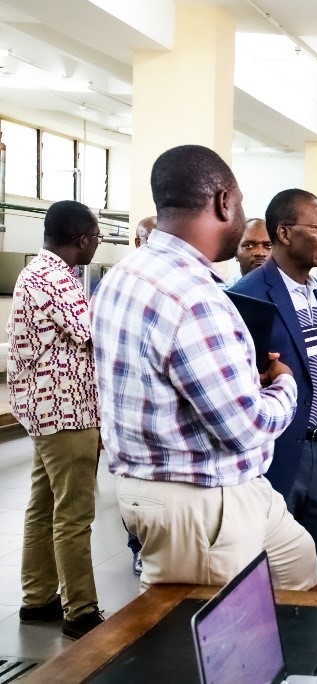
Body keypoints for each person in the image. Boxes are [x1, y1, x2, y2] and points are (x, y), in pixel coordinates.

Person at [91, 144, 317, 591]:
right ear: (222, 203)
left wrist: (241, 379)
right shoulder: (195, 297)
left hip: (203, 483)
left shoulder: (124, 274)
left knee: (298, 562)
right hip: (198, 499)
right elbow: (246, 427)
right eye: (241, 205)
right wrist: (285, 386)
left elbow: (167, 379)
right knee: (215, 643)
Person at [230, 189, 317, 579]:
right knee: (273, 573)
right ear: (284, 233)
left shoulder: (315, 291)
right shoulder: (247, 297)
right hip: (275, 454)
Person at [6, 200, 105, 639]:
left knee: (43, 505)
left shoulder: (38, 273)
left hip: (46, 412)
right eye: (96, 239)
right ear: (82, 239)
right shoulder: (55, 279)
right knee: (74, 514)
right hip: (67, 413)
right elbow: (94, 334)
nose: (96, 246)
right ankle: (80, 611)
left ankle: (38, 598)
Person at [125, 213, 157, 576]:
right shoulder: (122, 284)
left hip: (158, 408)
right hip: (130, 407)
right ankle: (136, 547)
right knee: (134, 491)